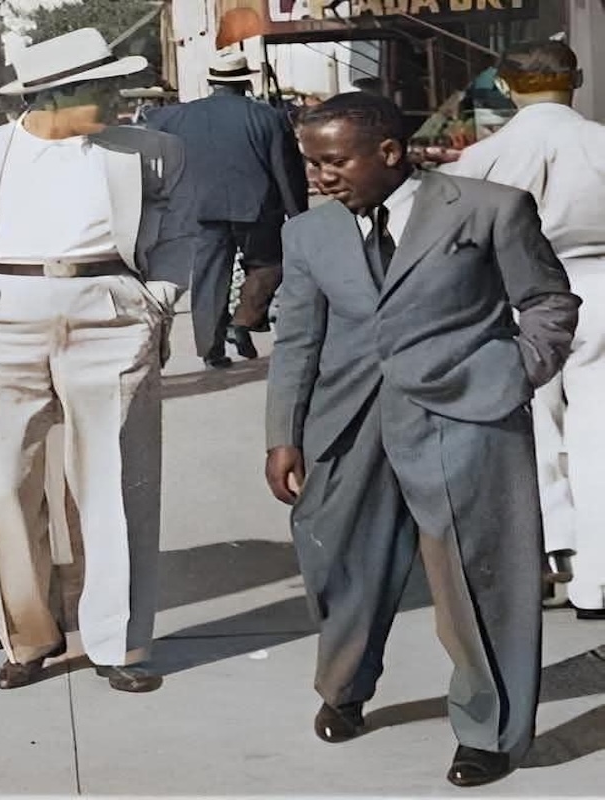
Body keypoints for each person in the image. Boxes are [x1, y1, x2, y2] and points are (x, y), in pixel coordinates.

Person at [265, 92, 578, 787]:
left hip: (465, 414)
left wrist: (512, 373)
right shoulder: (309, 233)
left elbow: (548, 302)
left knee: (477, 576)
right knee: (341, 566)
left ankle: (489, 731)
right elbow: (297, 338)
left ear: (388, 151)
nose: (320, 177)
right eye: (311, 163)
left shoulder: (490, 209)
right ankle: (344, 688)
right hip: (348, 424)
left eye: (334, 161)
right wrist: (283, 433)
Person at [0, 27, 192, 693]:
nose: (119, 99)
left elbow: (181, 235)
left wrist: (155, 304)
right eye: (105, 88)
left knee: (115, 482)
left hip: (109, 311)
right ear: (54, 95)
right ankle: (27, 637)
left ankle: (118, 644)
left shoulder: (151, 152)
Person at [442, 39, 605, 620]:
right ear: (575, 81)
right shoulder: (600, 143)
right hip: (600, 284)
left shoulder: (480, 159)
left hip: (516, 293)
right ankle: (598, 579)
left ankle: (550, 556)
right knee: (598, 431)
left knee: (529, 428)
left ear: (506, 87)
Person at [144, 52, 308, 367]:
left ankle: (211, 351)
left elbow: (154, 144)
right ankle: (242, 321)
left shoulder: (176, 118)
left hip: (199, 209)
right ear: (245, 82)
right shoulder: (268, 118)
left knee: (208, 277)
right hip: (257, 207)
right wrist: (299, 217)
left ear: (211, 81)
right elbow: (286, 172)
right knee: (270, 265)